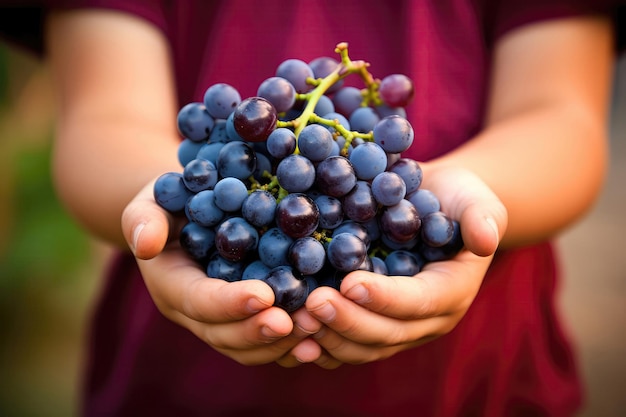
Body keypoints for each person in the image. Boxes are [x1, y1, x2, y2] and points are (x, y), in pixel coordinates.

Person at [0, 1, 624, 416]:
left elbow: (562, 120)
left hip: (475, 386)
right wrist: (161, 207)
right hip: (180, 387)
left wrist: (460, 192)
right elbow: (99, 125)